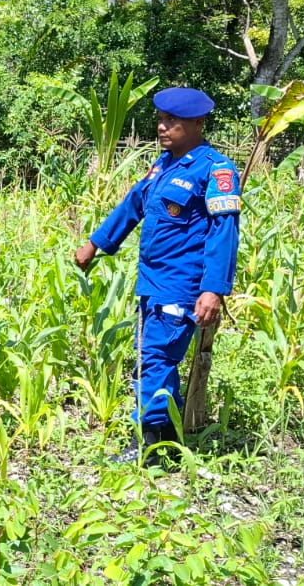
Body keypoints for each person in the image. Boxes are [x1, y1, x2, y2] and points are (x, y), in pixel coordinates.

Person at [74, 87, 241, 466]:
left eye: (172, 121)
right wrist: (96, 243)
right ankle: (169, 444)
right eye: (161, 120)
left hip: (181, 285)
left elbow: (224, 234)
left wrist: (213, 290)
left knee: (154, 359)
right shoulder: (163, 165)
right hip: (152, 281)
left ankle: (148, 448)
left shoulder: (215, 170)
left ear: (198, 123)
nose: (162, 127)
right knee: (154, 360)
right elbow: (133, 204)